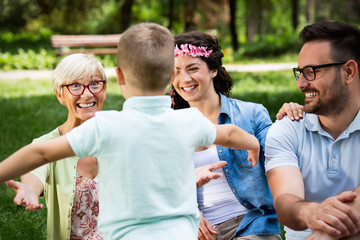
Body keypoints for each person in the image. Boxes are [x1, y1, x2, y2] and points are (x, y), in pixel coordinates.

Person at [0, 22, 262, 240]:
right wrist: (252, 143)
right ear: (171, 74)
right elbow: (228, 133)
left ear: (119, 76)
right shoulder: (188, 120)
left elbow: (42, 152)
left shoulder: (107, 127)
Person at [170, 31, 285, 240]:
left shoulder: (251, 115)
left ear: (213, 69)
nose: (184, 79)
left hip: (250, 226)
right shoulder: (168, 126)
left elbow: (282, 164)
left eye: (193, 68)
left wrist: (292, 115)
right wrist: (188, 214)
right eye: (175, 71)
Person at [265, 21, 360, 240]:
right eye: (299, 72)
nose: (300, 84)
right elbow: (285, 203)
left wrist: (323, 236)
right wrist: (313, 212)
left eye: (311, 72)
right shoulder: (287, 130)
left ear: (349, 71)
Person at [5, 53, 106, 240]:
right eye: (75, 85)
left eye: (94, 84)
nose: (87, 93)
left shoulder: (120, 136)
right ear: (60, 94)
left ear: (104, 89)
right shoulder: (47, 144)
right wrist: (29, 189)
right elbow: (35, 169)